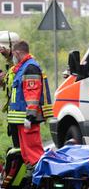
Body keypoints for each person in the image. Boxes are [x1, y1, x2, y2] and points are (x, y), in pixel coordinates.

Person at [7, 40, 52, 178]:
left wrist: (30, 116)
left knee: (33, 152)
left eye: (14, 54)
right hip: (22, 120)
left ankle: (42, 181)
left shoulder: (30, 68)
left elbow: (32, 94)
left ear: (18, 53)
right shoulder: (22, 67)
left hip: (28, 119)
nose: (13, 57)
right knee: (27, 153)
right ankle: (34, 181)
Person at [0, 31, 20, 148]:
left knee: (21, 146)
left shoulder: (21, 63)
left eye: (3, 49)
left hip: (20, 112)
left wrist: (4, 78)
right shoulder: (10, 62)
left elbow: (16, 83)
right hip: (14, 112)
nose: (1, 52)